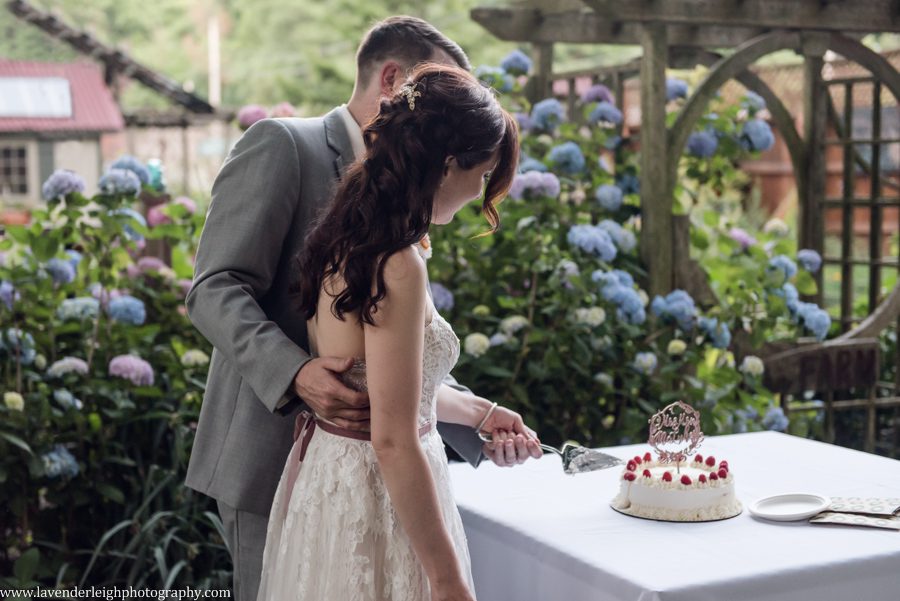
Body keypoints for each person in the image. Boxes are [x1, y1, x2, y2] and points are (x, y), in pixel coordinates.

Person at [185, 16, 541, 601]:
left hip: (369, 469)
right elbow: (213, 286)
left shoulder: (395, 196)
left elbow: (384, 360)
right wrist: (295, 374)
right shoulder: (284, 146)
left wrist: (475, 412)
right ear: (394, 80)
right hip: (274, 451)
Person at [256, 62, 520, 601]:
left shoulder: (347, 234)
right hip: (377, 495)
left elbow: (378, 389)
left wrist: (479, 411)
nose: (480, 193)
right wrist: (448, 581)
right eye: (483, 174)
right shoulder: (398, 264)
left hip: (330, 480)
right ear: (449, 165)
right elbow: (394, 439)